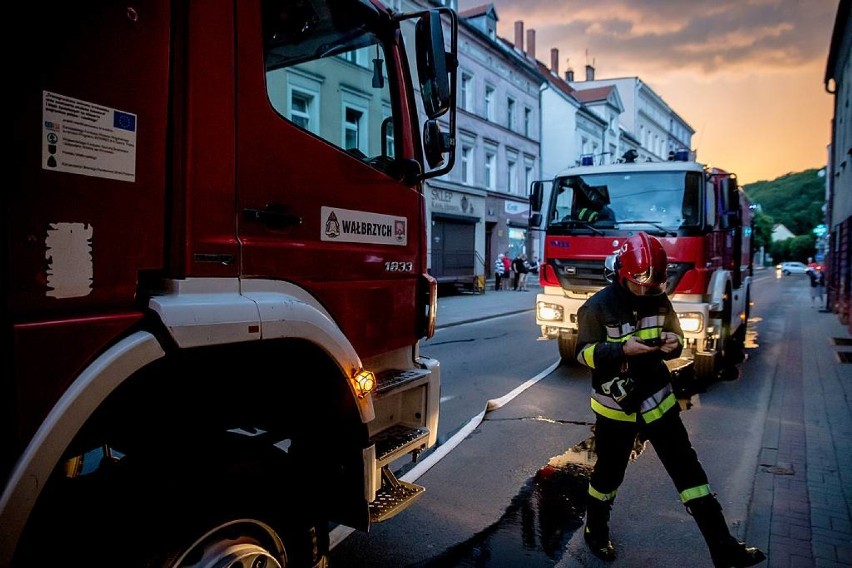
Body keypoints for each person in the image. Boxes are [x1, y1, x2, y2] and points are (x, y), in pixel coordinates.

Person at [575, 232, 766, 567]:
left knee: (689, 473)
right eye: (640, 284)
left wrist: (671, 344)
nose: (647, 290)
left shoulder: (659, 298)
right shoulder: (597, 307)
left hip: (658, 402)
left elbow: (677, 337)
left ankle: (722, 547)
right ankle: (595, 530)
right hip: (617, 410)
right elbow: (584, 354)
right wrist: (622, 349)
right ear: (623, 274)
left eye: (654, 285)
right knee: (608, 475)